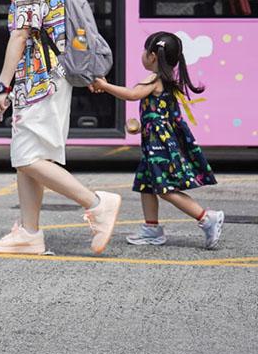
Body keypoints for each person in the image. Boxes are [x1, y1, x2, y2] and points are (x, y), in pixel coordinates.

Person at [0, 0, 121, 256]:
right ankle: (30, 233)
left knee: (28, 158)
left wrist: (2, 87)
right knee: (30, 155)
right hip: (51, 80)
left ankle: (95, 203)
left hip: (39, 82)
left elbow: (20, 35)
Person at [91, 32, 224, 249]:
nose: (142, 55)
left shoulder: (153, 79)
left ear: (152, 56)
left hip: (158, 145)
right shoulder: (167, 79)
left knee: (166, 189)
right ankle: (151, 228)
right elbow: (162, 116)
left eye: (144, 51)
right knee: (147, 184)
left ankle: (206, 217)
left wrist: (105, 86)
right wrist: (142, 126)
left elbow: (132, 95)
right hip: (154, 143)